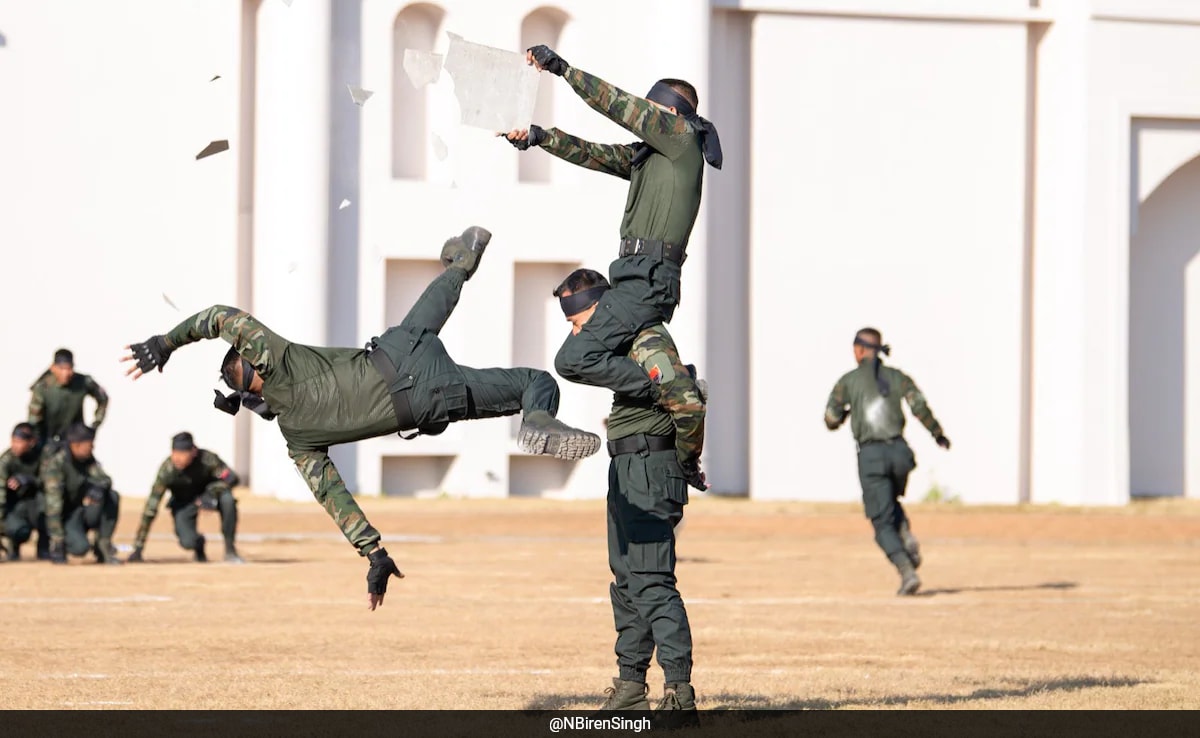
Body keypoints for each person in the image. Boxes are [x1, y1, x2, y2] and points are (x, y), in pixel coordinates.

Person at [121, 226, 601, 610]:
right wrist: (166, 343)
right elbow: (221, 316)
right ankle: (467, 265)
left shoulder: (297, 441)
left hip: (428, 403)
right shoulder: (279, 359)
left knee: (525, 381)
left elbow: (335, 499)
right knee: (511, 362)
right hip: (398, 354)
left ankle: (528, 409)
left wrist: (374, 554)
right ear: (253, 368)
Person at [504, 45, 722, 403]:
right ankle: (672, 382)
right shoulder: (652, 157)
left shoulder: (682, 139)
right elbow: (594, 154)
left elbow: (618, 105)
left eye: (651, 111)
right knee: (621, 358)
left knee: (573, 358)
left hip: (648, 284)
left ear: (670, 113)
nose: (644, 118)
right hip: (630, 280)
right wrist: (539, 137)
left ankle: (673, 389)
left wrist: (565, 70)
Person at [554, 268, 705, 720]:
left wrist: (685, 460)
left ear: (599, 306)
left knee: (652, 581)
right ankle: (630, 687)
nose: (576, 329)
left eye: (577, 319)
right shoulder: (620, 345)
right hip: (627, 466)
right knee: (627, 582)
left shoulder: (646, 339)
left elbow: (689, 400)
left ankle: (679, 694)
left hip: (649, 467)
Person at [824, 328, 951, 596]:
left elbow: (830, 418)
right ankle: (905, 534)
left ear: (859, 350)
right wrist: (938, 434)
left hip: (872, 457)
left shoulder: (848, 381)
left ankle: (906, 570)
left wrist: (844, 415)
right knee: (891, 501)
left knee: (881, 521)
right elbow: (919, 407)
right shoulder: (898, 377)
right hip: (901, 454)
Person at [128, 432, 243, 564]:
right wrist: (138, 549)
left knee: (227, 499)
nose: (177, 458)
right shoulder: (168, 470)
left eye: (182, 453)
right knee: (187, 542)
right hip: (183, 503)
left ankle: (230, 550)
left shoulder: (207, 459)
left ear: (193, 452)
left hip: (210, 497)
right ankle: (198, 545)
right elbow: (151, 507)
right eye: (174, 452)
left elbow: (232, 479)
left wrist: (211, 493)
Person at [42, 422, 121, 565]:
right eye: (89, 444)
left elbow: (104, 479)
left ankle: (103, 545)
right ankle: (63, 543)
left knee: (112, 496)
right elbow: (53, 507)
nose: (92, 448)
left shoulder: (88, 460)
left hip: (82, 510)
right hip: (65, 517)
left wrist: (100, 487)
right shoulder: (57, 464)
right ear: (76, 445)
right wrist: (57, 540)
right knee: (80, 549)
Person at [28, 348, 109, 453]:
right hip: (47, 442)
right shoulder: (43, 388)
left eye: (69, 368)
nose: (66, 373)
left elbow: (103, 399)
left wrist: (95, 425)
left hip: (75, 443)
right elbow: (34, 420)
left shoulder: (83, 382)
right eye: (62, 369)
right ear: (53, 368)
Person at [0, 423, 47, 561]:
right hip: (15, 508)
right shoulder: (6, 461)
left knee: (47, 506)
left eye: (19, 442)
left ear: (32, 442)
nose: (15, 445)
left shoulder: (43, 456)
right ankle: (13, 548)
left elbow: (51, 482)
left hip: (36, 504)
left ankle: (43, 547)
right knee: (18, 530)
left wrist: (30, 480)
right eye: (13, 441)